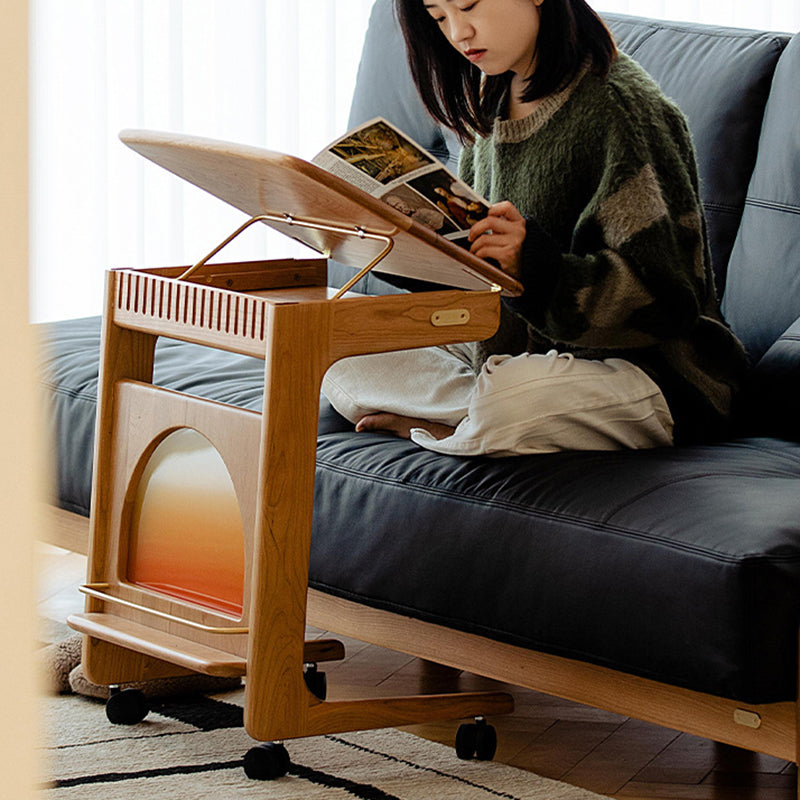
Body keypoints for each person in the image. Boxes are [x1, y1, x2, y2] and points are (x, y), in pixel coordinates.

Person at [321, 0, 747, 455]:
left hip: (648, 375)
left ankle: (463, 422)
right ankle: (478, 420)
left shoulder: (620, 108)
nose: (458, 33)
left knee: (513, 397)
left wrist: (536, 268)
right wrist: (404, 251)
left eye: (467, 5)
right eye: (439, 17)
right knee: (333, 357)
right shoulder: (490, 101)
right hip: (515, 361)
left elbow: (667, 303)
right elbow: (478, 282)